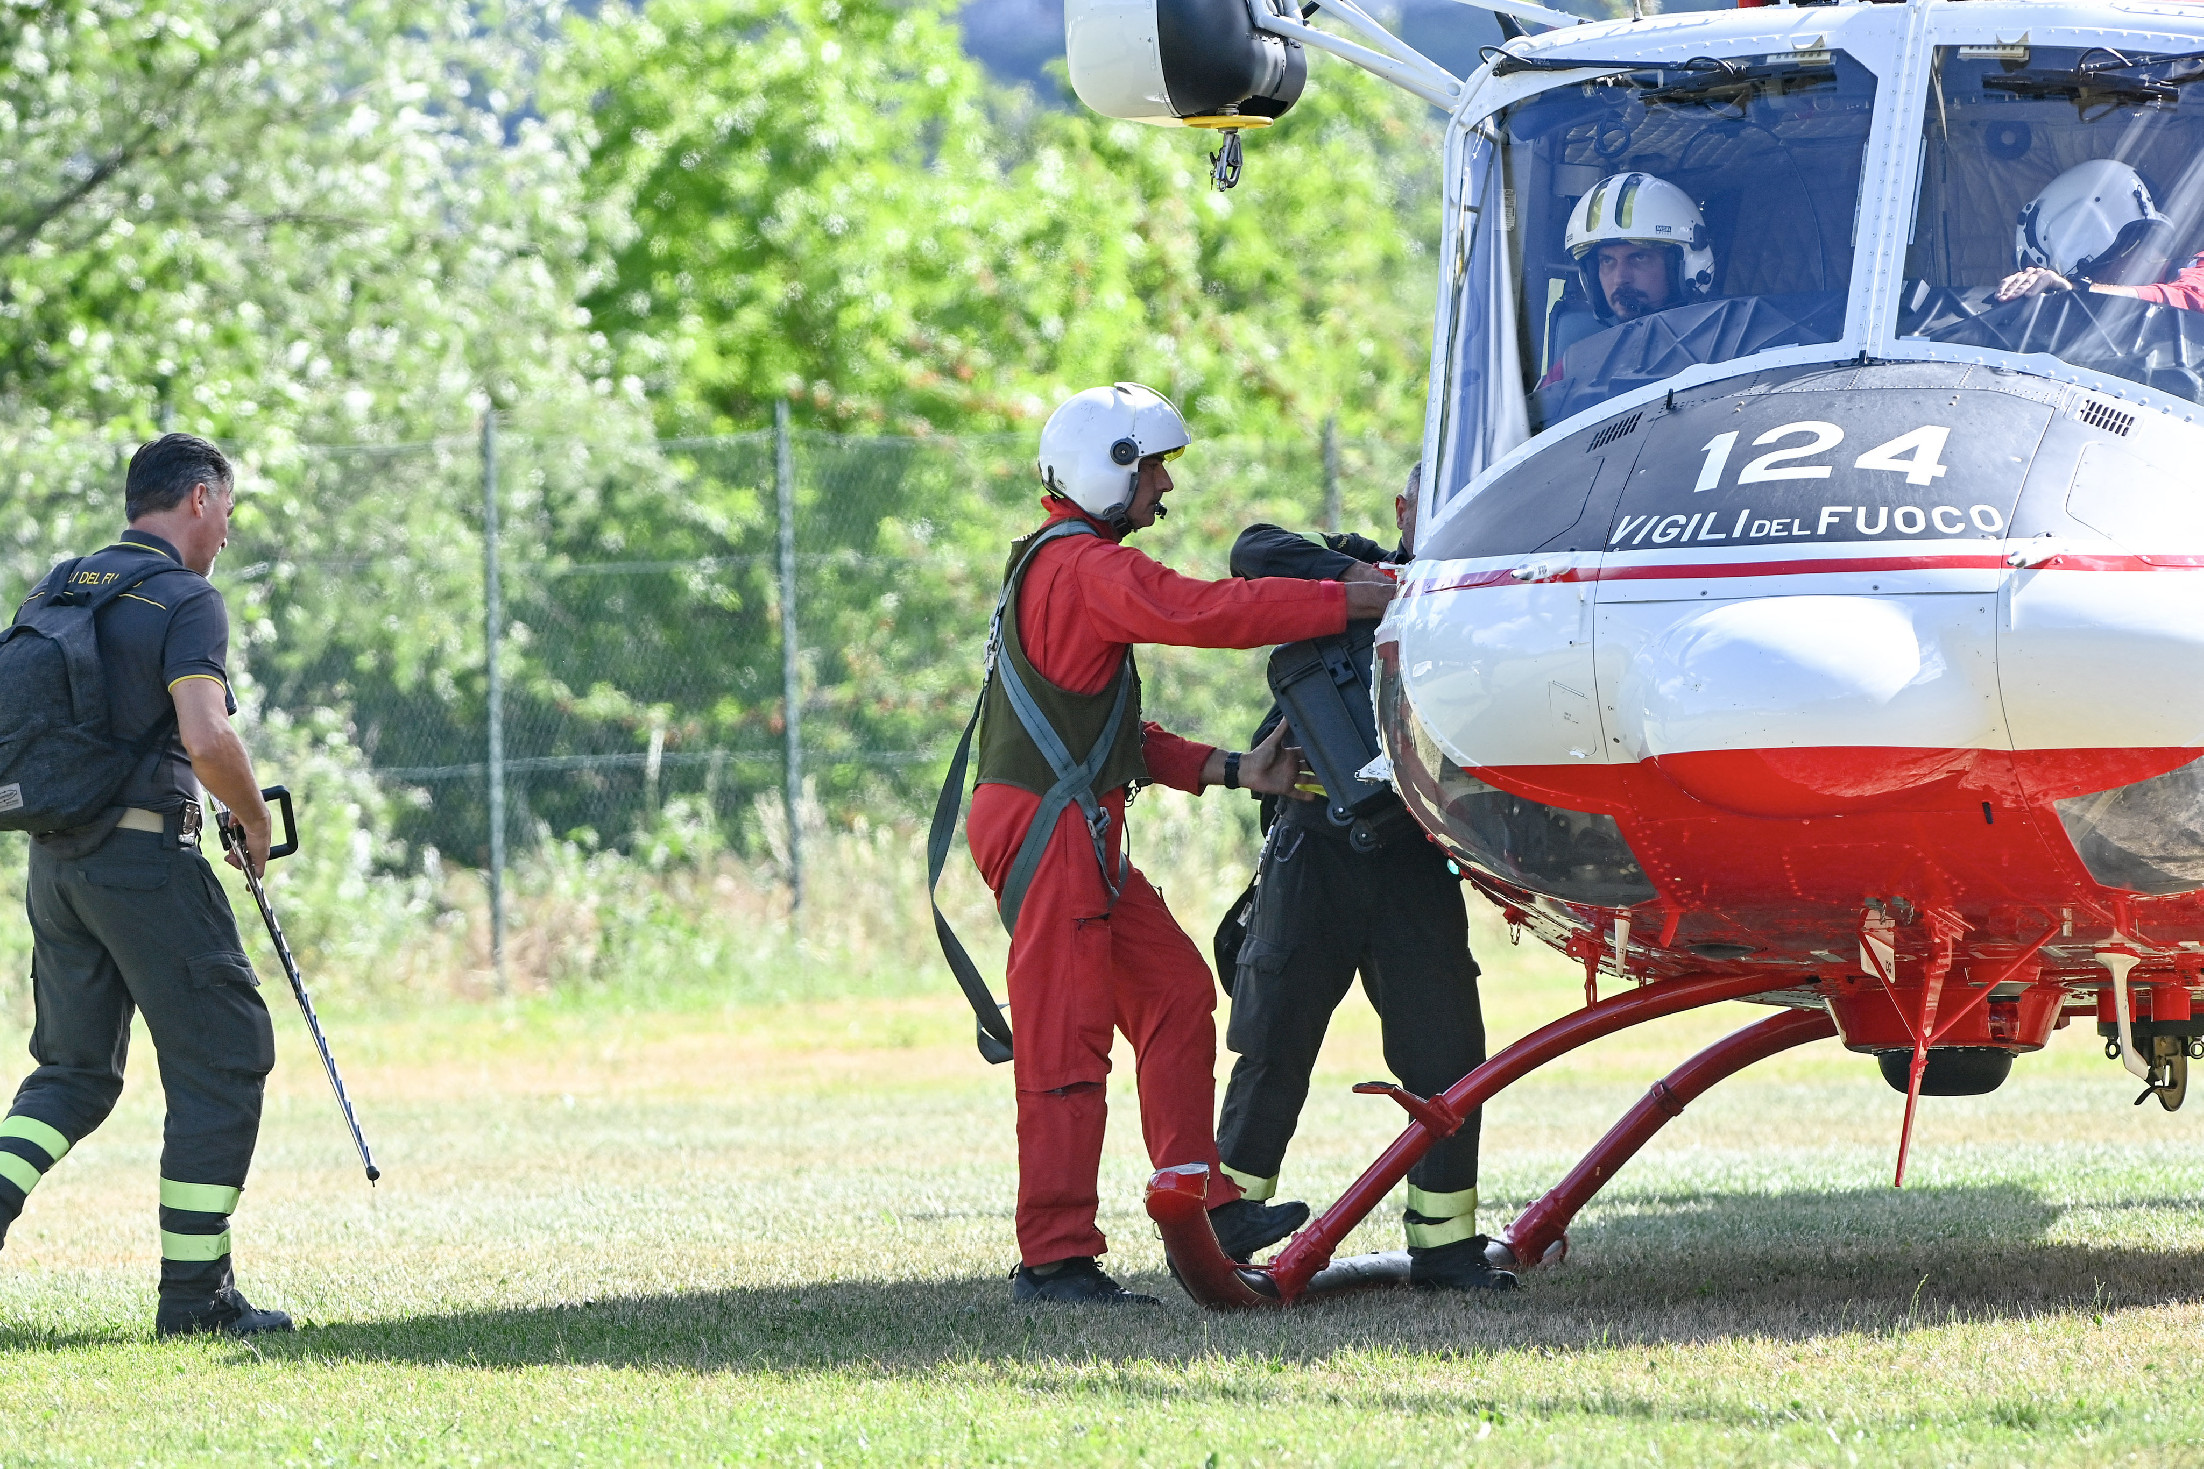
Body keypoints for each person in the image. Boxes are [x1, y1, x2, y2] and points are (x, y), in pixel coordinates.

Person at [966, 383, 1396, 1305]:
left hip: (1067, 822)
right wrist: (1346, 600)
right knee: (1065, 1039)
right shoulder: (1082, 567)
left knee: (1173, 989)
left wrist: (1238, 770)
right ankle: (1056, 1259)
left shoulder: (1062, 564)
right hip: (1052, 830)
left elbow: (1114, 731)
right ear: (1108, 468)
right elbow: (1202, 612)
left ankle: (1203, 1212)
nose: (1165, 487)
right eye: (1153, 466)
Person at [0, 434, 291, 1337]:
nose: (227, 538)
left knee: (73, 1073)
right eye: (229, 515)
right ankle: (195, 1300)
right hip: (143, 861)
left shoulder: (58, 589)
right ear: (199, 499)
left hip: (57, 864)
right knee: (225, 1053)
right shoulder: (185, 600)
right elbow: (206, 740)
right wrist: (254, 817)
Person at [1212, 463, 1514, 1292]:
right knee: (1276, 1033)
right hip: (1314, 847)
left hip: (1416, 860)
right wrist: (1372, 587)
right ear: (1403, 512)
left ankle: (1446, 1247)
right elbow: (1254, 549)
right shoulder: (1357, 564)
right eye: (1431, 505)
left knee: (1446, 1049)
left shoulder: (1484, 593)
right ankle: (1228, 1220)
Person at [1994, 160, 2190, 305]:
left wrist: (2075, 290)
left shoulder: (2198, 268)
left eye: (2050, 273)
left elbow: (2187, 298)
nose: (2040, 276)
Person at [1566, 171, 1717, 325]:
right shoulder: (1583, 347)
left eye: (1639, 258)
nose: (1620, 279)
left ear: (1688, 268)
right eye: (1607, 260)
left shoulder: (1725, 345)